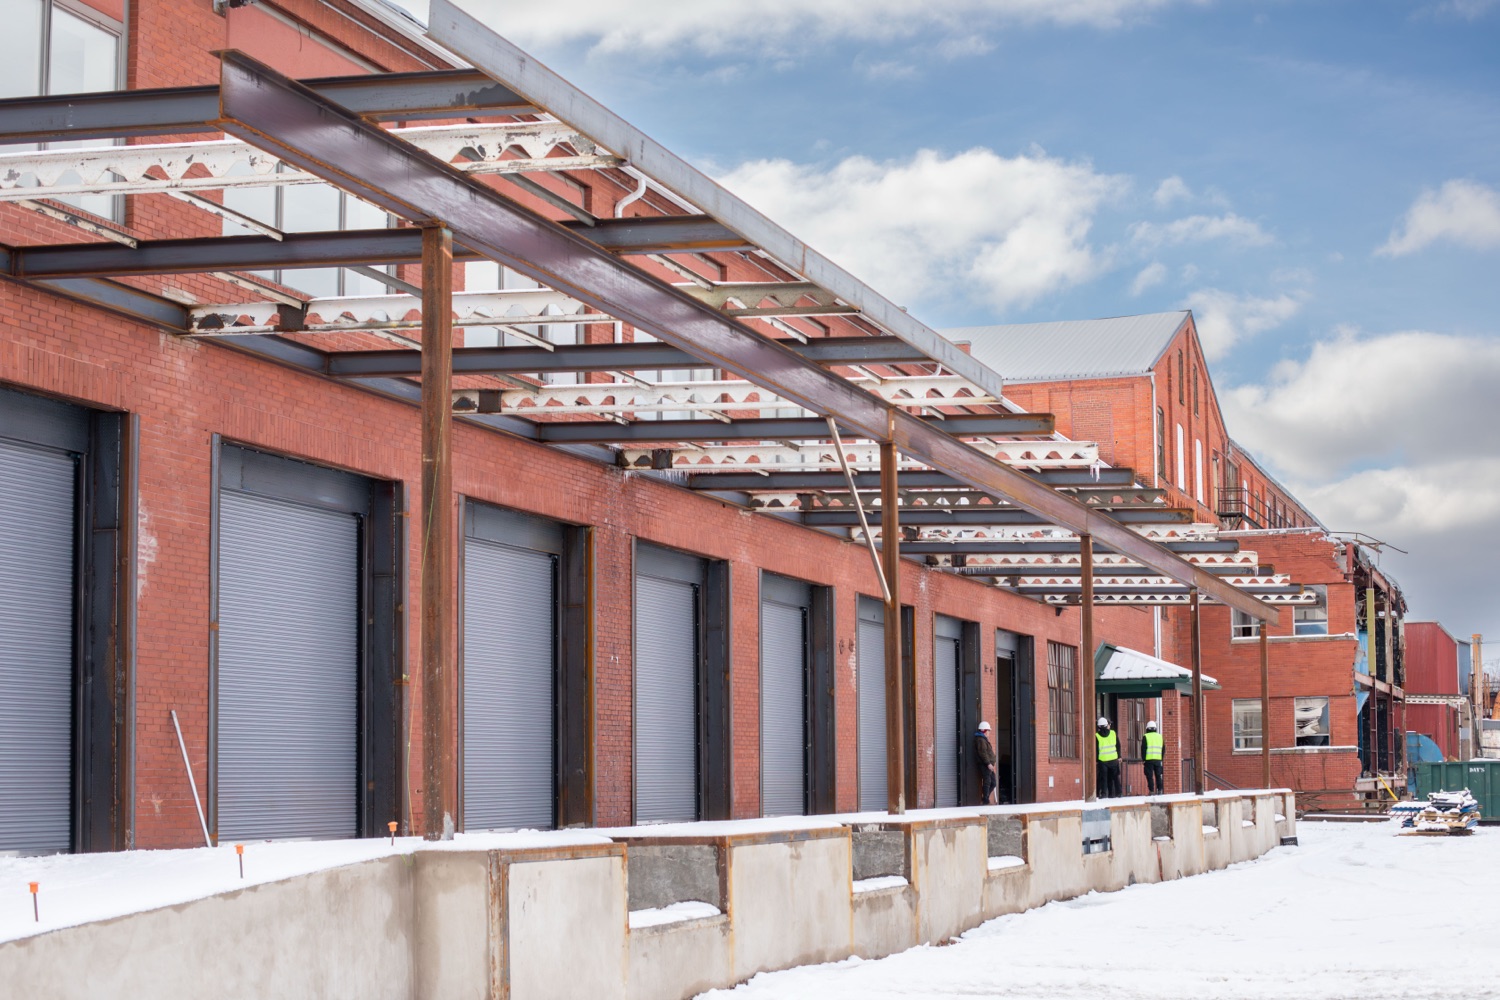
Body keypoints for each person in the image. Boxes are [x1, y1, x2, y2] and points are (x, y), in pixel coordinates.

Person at [1095, 716, 1122, 798]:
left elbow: (1096, 749)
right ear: (1107, 725)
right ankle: (1118, 793)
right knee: (1115, 777)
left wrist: (1096, 760)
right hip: (1113, 759)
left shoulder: (1096, 736)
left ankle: (1103, 794)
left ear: (1098, 726)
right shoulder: (1113, 733)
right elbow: (1118, 745)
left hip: (1102, 760)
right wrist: (1119, 756)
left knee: (1104, 778)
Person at [974, 721, 998, 804]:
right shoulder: (981, 740)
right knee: (987, 781)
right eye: (988, 730)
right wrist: (988, 763)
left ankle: (985, 798)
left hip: (988, 765)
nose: (989, 732)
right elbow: (983, 753)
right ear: (983, 730)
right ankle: (985, 800)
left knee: (993, 782)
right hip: (985, 765)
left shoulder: (983, 739)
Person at [1141, 720, 1165, 795]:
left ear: (1147, 728)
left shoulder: (1146, 736)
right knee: (1158, 775)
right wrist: (1161, 758)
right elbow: (1163, 749)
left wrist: (1143, 759)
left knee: (1149, 776)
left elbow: (1143, 749)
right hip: (1158, 759)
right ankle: (1160, 790)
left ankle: (1151, 791)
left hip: (1148, 760)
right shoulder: (1160, 736)